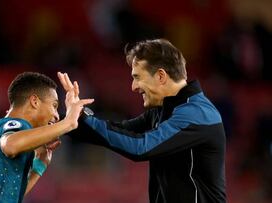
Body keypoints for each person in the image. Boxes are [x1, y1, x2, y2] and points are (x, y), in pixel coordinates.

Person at [60, 39, 226, 203]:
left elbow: (140, 147)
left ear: (161, 76)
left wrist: (79, 118)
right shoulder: (162, 111)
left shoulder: (197, 113)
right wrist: (62, 121)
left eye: (137, 77)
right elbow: (118, 130)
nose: (133, 86)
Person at [0, 72, 93, 203]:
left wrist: (39, 165)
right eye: (54, 106)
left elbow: (9, 193)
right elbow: (10, 145)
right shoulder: (18, 124)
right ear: (34, 101)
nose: (57, 115)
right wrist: (68, 123)